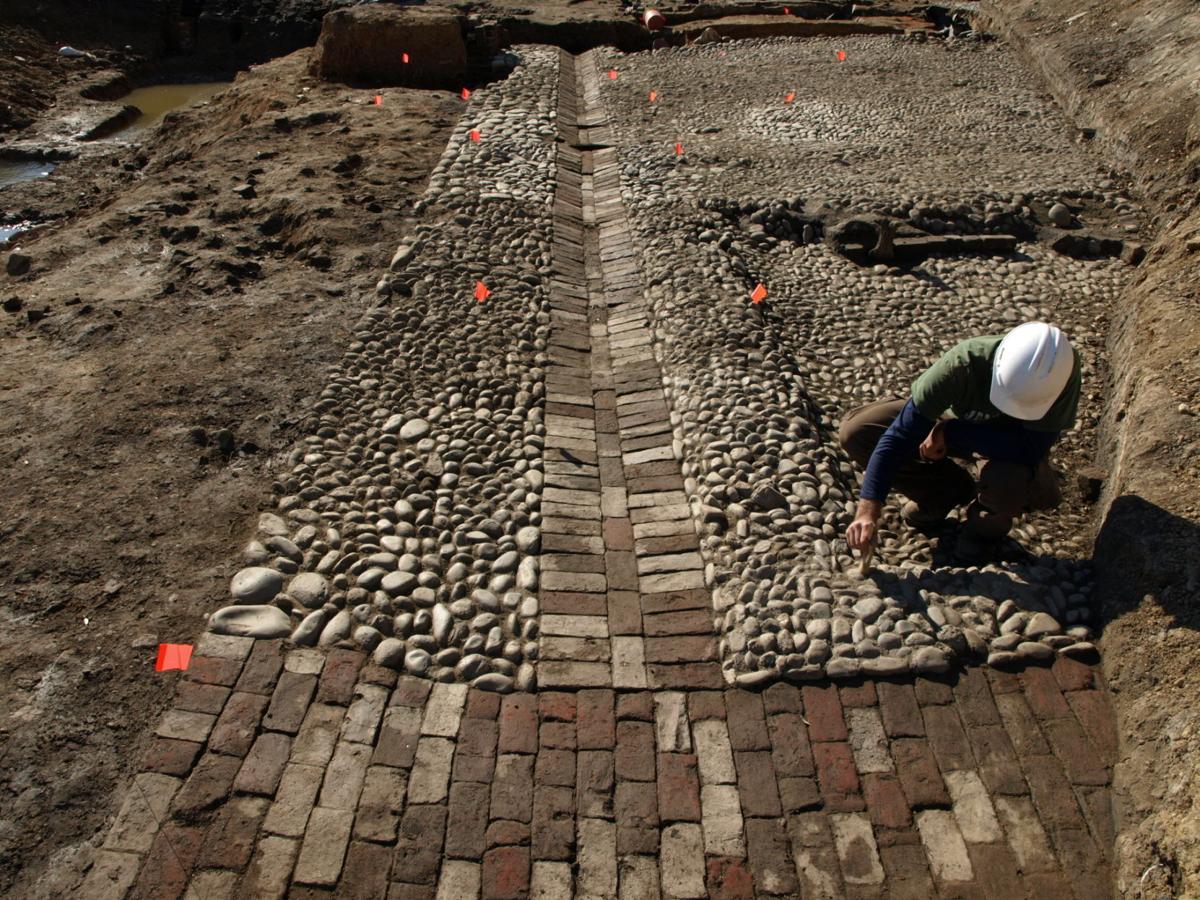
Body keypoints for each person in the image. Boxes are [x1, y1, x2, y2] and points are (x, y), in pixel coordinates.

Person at [840, 321, 1081, 554]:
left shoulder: (1062, 375)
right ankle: (942, 492)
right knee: (858, 432)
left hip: (1008, 444)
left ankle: (981, 531)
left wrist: (952, 432)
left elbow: (1031, 448)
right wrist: (867, 510)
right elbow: (899, 436)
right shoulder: (962, 365)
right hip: (956, 420)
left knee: (1009, 484)